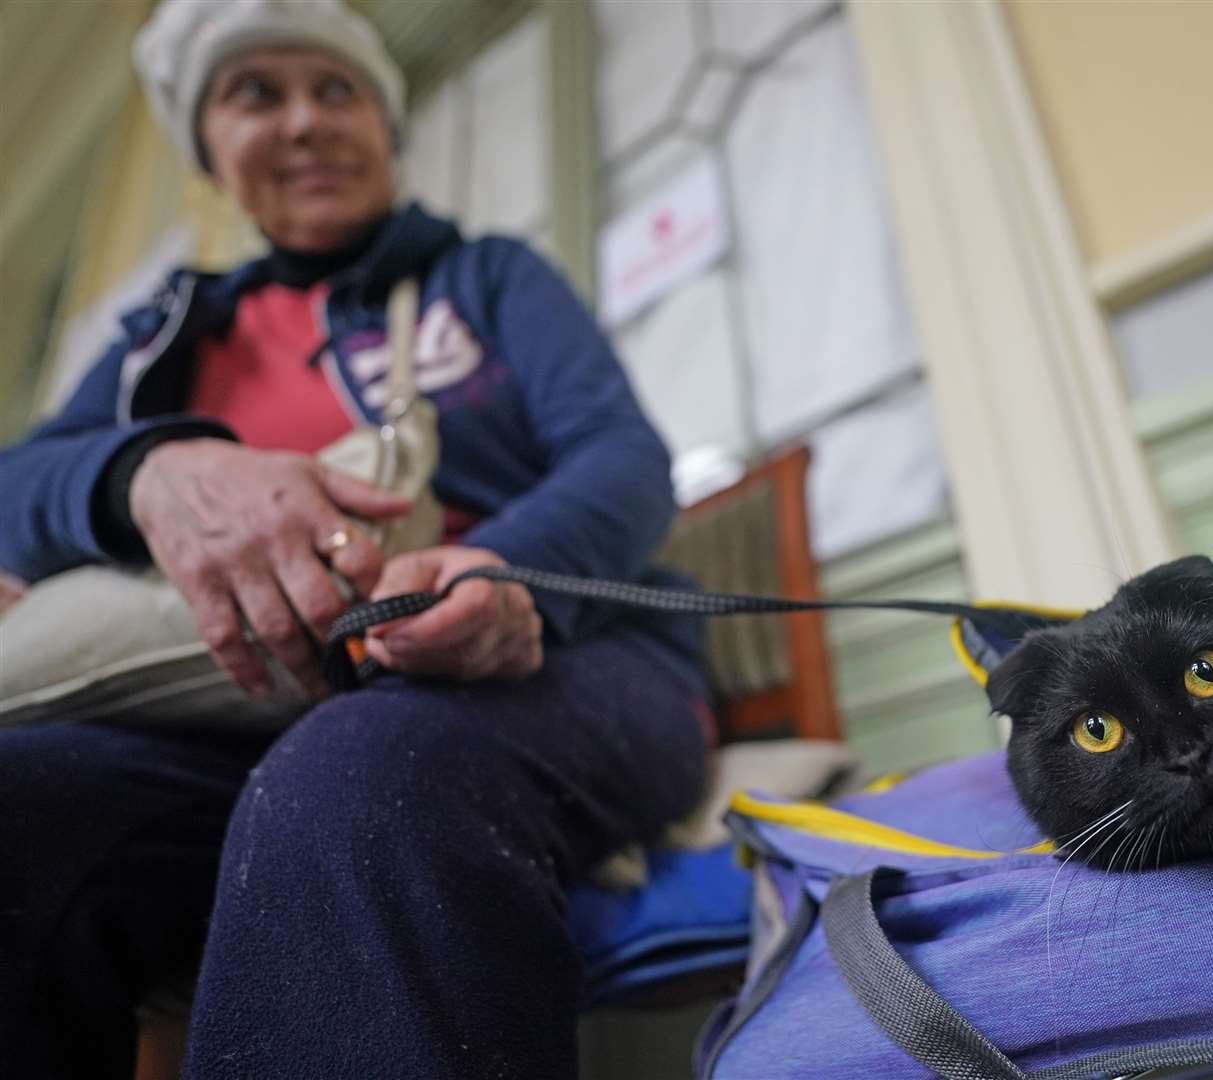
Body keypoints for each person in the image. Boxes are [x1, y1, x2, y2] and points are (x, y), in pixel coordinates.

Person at [0, 1, 711, 1076]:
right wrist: (142, 468)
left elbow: (620, 457)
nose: (305, 122)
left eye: (338, 91)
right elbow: (20, 483)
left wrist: (508, 573)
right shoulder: (161, 340)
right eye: (255, 94)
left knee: (354, 779)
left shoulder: (494, 278)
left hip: (568, 659)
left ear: (385, 127)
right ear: (210, 152)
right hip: (232, 716)